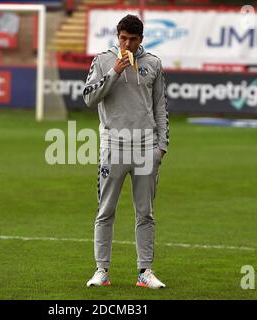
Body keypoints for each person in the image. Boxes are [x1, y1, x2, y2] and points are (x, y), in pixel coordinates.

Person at [83, 14, 169, 289]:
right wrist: (115, 71)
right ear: (117, 36)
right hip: (113, 145)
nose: (127, 44)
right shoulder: (103, 61)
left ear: (141, 39)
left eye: (132, 39)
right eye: (123, 38)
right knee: (105, 210)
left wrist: (162, 144)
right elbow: (88, 97)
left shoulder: (153, 63)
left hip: (146, 146)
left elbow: (160, 106)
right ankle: (101, 271)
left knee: (145, 212)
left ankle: (145, 272)